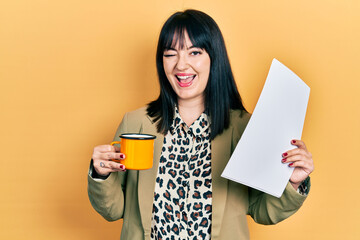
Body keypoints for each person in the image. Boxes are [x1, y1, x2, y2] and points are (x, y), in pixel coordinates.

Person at [88, 9, 314, 240]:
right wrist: (100, 174)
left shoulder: (242, 128)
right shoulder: (136, 123)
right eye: (170, 54)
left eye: (195, 52)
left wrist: (292, 182)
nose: (181, 65)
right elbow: (113, 209)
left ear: (214, 58)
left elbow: (262, 210)